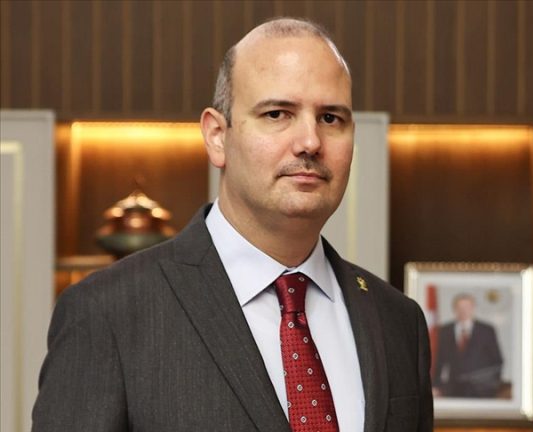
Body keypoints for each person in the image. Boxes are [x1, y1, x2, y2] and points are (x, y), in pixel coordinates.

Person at [32, 18, 433, 432]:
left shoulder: (399, 322)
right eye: (277, 114)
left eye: (331, 118)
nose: (310, 142)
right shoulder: (107, 313)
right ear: (217, 136)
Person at [432, 293, 503, 398]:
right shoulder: (444, 331)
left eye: (467, 307)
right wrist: (436, 386)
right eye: (460, 307)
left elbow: (497, 361)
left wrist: (492, 385)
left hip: (481, 391)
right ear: (454, 309)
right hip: (453, 390)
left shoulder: (487, 330)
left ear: (473, 308)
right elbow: (439, 361)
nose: (463, 310)